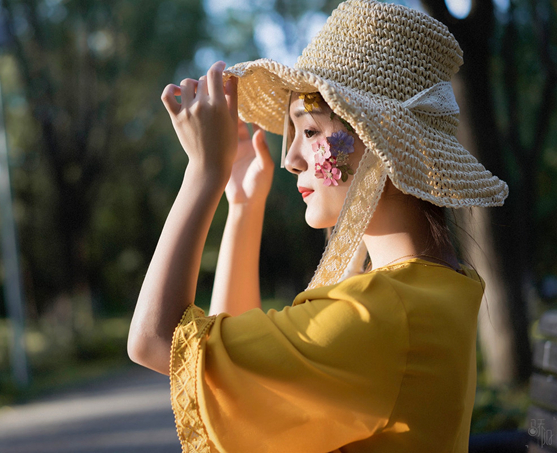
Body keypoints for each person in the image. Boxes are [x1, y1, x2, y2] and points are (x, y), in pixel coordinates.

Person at [127, 0, 509, 451]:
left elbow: (155, 341)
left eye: (308, 132)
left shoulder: (381, 314)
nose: (289, 159)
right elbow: (240, 371)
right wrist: (243, 207)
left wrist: (203, 174)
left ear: (376, 141)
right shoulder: (430, 291)